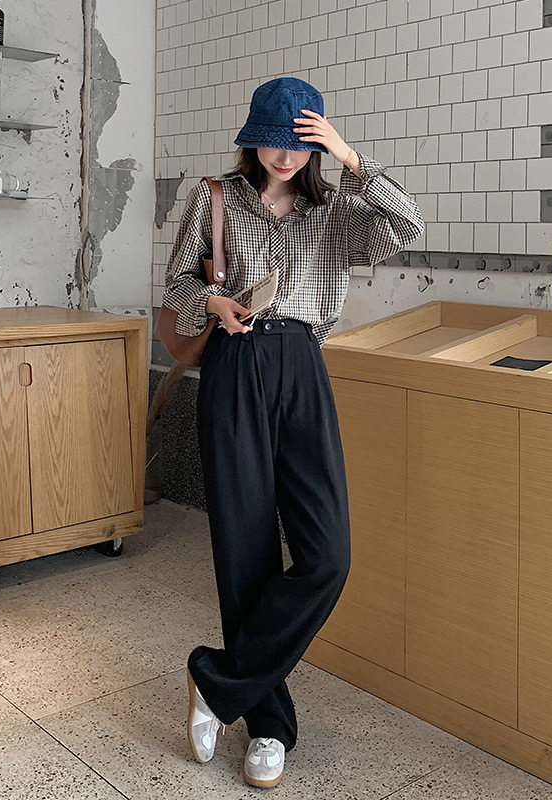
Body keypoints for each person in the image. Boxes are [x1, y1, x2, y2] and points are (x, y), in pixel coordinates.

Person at [161, 76, 424, 788]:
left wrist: (351, 158)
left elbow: (407, 228)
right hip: (235, 364)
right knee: (245, 551)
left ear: (316, 144)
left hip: (303, 367)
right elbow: (177, 285)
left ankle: (219, 680)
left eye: (299, 142)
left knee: (328, 554)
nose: (284, 155)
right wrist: (213, 302)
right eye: (273, 141)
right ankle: (269, 726)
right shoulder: (215, 198)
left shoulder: (336, 209)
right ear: (252, 139)